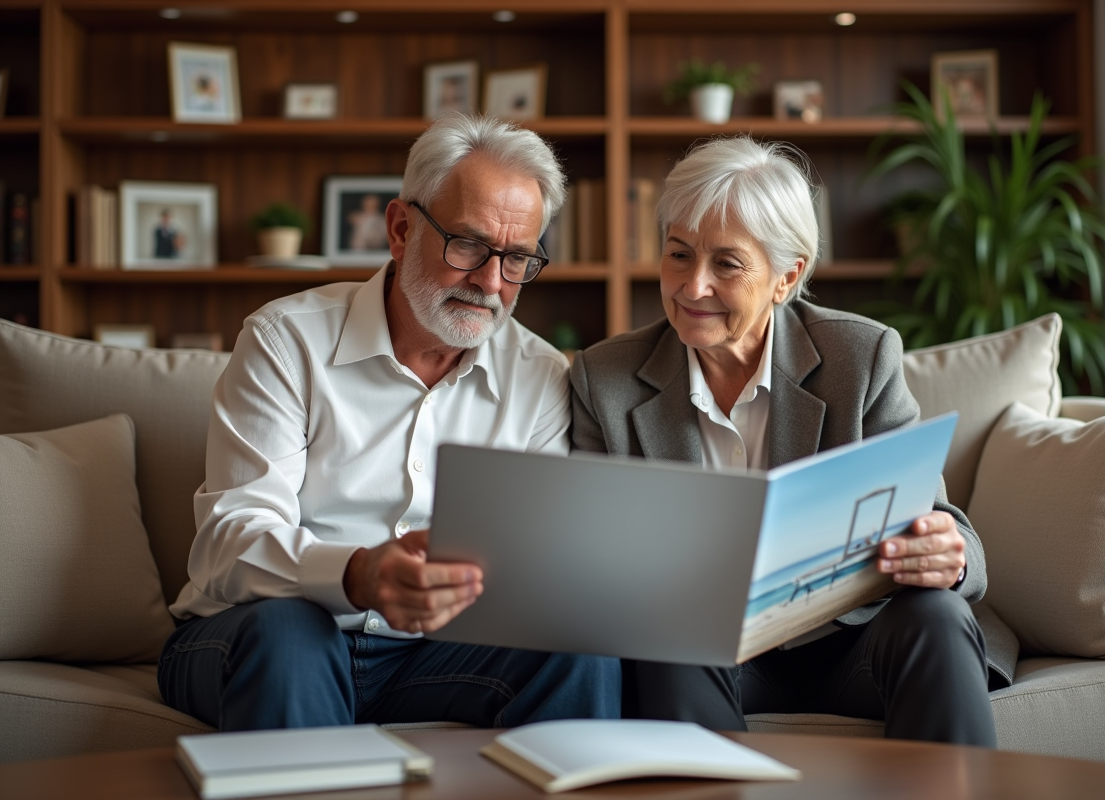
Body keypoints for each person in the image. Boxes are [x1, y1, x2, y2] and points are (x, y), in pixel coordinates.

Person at [159, 112, 621, 732]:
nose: (490, 282)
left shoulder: (538, 373)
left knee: (577, 644)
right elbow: (228, 544)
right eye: (469, 245)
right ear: (401, 228)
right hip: (259, 631)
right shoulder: (285, 339)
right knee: (293, 631)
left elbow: (532, 566)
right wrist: (356, 574)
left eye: (516, 260)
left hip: (430, 658)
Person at [569, 136, 996, 746]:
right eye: (679, 255)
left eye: (727, 264)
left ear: (785, 277)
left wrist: (947, 558)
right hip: (710, 657)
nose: (692, 287)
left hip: (855, 641)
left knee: (936, 613)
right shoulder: (603, 379)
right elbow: (588, 550)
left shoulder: (862, 357)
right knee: (674, 625)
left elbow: (939, 523)